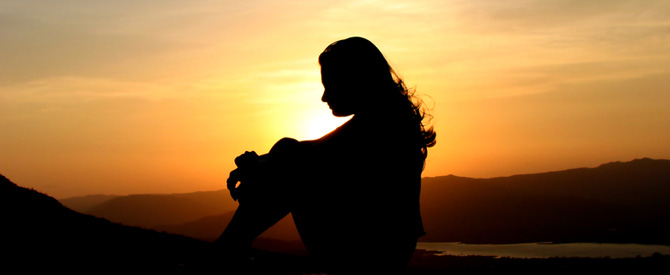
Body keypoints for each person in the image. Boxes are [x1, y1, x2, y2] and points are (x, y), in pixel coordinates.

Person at [215, 36, 436, 274]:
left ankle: (226, 249)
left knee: (289, 161)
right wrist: (261, 162)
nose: (324, 97)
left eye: (331, 85)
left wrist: (258, 165)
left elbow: (305, 156)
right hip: (382, 247)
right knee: (288, 155)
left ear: (356, 80)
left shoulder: (381, 125)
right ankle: (227, 248)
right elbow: (310, 150)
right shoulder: (384, 118)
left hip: (374, 252)